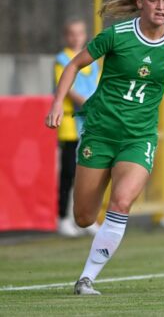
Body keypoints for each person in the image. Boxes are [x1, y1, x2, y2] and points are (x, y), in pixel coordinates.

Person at [45, 0, 164, 295]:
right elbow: (72, 66)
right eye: (154, 0)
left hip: (139, 139)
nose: (161, 6)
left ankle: (87, 279)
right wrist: (57, 104)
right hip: (99, 133)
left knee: (122, 203)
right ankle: (84, 246)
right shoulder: (117, 35)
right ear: (140, 2)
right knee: (83, 217)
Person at [54, 18, 99, 237]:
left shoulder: (94, 60)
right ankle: (62, 217)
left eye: (80, 33)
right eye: (72, 33)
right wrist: (89, 103)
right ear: (66, 36)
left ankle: (85, 217)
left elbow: (99, 85)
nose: (76, 37)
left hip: (91, 125)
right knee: (69, 172)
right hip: (73, 124)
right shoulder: (62, 59)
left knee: (89, 172)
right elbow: (67, 87)